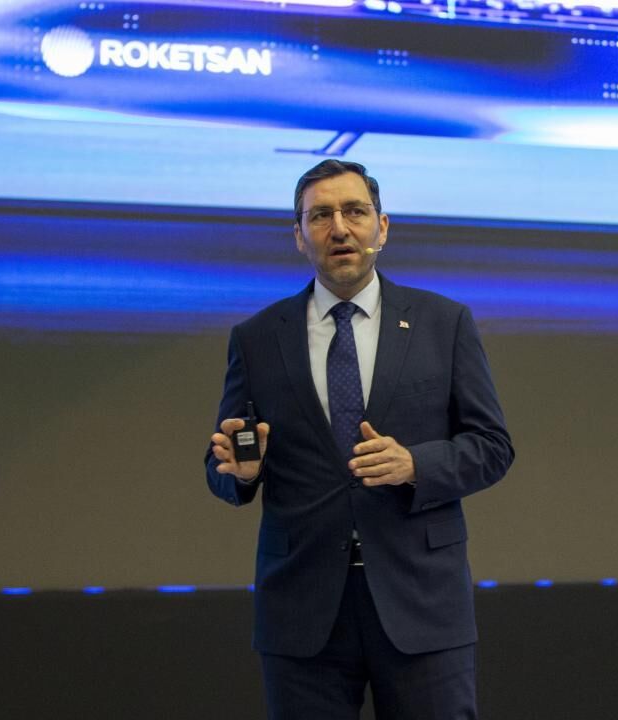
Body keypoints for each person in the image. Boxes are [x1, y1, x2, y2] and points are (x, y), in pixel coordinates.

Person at [205, 159, 514, 720]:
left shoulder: (443, 323)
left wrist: (414, 464)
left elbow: (493, 446)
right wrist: (242, 473)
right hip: (302, 608)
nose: (340, 228)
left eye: (354, 211)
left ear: (382, 227)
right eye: (320, 216)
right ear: (299, 237)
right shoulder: (257, 338)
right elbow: (222, 463)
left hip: (421, 599)